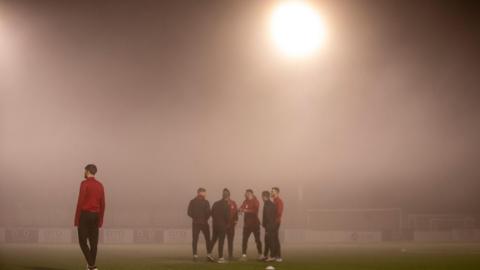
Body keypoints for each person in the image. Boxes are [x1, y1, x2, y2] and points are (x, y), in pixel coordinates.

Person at [74, 164, 105, 270]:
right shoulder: (100, 185)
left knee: (82, 241)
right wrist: (101, 219)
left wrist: (76, 219)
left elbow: (80, 202)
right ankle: (91, 266)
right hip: (96, 215)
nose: (84, 172)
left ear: (87, 171)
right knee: (94, 243)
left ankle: (92, 265)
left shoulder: (84, 183)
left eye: (84, 170)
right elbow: (103, 204)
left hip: (85, 215)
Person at [187, 188, 214, 262]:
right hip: (203, 223)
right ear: (200, 193)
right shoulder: (205, 202)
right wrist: (205, 219)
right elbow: (209, 212)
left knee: (195, 239)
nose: (205, 194)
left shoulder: (193, 201)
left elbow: (189, 212)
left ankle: (195, 255)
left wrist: (195, 217)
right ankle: (208, 255)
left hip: (196, 223)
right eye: (204, 192)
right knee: (207, 239)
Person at [239, 189, 262, 261]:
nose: (245, 194)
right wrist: (240, 210)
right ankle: (244, 255)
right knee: (244, 239)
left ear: (250, 193)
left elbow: (255, 211)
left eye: (246, 193)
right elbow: (241, 207)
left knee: (257, 240)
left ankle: (260, 254)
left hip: (255, 224)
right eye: (245, 193)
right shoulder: (245, 201)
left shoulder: (256, 201)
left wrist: (246, 210)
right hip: (247, 225)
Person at [210, 189, 231, 263]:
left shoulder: (216, 203)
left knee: (213, 240)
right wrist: (227, 224)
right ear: (228, 197)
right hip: (222, 225)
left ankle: (209, 254)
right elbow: (227, 216)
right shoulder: (227, 205)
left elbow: (211, 213)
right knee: (221, 241)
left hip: (215, 225)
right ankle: (221, 258)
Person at [261, 190, 276, 261]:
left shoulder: (269, 205)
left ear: (265, 197)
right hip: (269, 226)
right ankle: (265, 255)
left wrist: (267, 227)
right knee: (267, 241)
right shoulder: (268, 204)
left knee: (270, 241)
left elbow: (269, 217)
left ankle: (272, 256)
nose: (261, 198)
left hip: (270, 226)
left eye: (262, 196)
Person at [224, 188, 238, 260]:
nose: (225, 194)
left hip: (231, 225)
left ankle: (230, 255)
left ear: (229, 194)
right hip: (223, 225)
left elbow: (235, 212)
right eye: (224, 193)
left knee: (230, 241)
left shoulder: (233, 203)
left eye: (226, 193)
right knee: (221, 240)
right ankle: (220, 255)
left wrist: (236, 220)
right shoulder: (221, 203)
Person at [271, 187, 284, 262]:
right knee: (273, 239)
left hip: (276, 222)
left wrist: (271, 215)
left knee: (275, 239)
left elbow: (279, 212)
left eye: (272, 191)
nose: (271, 192)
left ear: (277, 192)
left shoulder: (279, 201)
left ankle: (279, 256)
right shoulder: (274, 201)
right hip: (273, 222)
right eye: (271, 191)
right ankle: (275, 256)